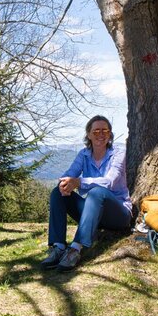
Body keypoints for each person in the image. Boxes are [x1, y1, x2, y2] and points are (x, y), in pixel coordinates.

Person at [40, 115, 132, 272]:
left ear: (110, 134)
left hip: (118, 214)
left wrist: (79, 182)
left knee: (97, 192)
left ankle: (75, 249)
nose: (101, 134)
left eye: (105, 131)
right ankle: (58, 247)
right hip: (93, 213)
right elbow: (70, 173)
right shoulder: (84, 155)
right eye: (96, 131)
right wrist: (65, 183)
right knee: (58, 193)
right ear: (88, 134)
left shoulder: (118, 153)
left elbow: (110, 181)